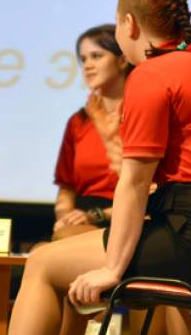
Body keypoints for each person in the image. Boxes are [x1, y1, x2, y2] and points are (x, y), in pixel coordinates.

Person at [8, 0, 191, 335]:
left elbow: (134, 183)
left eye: (116, 22)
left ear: (129, 24)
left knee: (41, 264)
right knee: (62, 259)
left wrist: (112, 269)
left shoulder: (152, 74)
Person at [53, 24, 128, 241]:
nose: (87, 66)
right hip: (82, 220)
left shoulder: (142, 114)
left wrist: (95, 216)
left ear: (122, 61)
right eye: (83, 59)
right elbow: (66, 189)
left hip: (127, 217)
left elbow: (147, 189)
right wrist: (65, 218)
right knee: (40, 250)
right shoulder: (78, 121)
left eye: (96, 56)